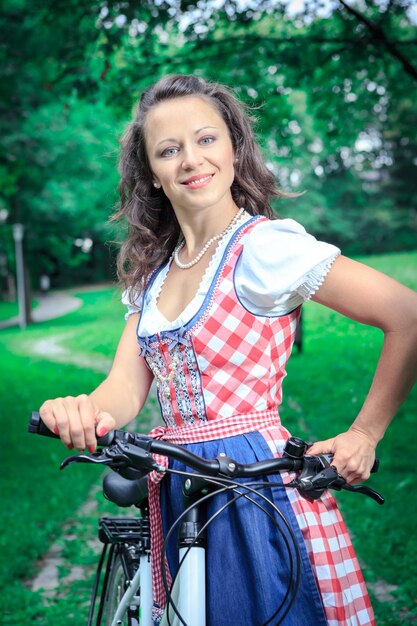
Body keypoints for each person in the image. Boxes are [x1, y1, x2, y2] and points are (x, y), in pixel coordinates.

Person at [39, 74, 417, 626]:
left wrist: (364, 433)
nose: (191, 159)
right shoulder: (153, 278)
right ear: (152, 175)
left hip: (255, 484)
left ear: (234, 148)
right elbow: (121, 391)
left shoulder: (265, 248)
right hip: (175, 485)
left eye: (206, 139)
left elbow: (406, 315)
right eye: (169, 150)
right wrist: (80, 410)